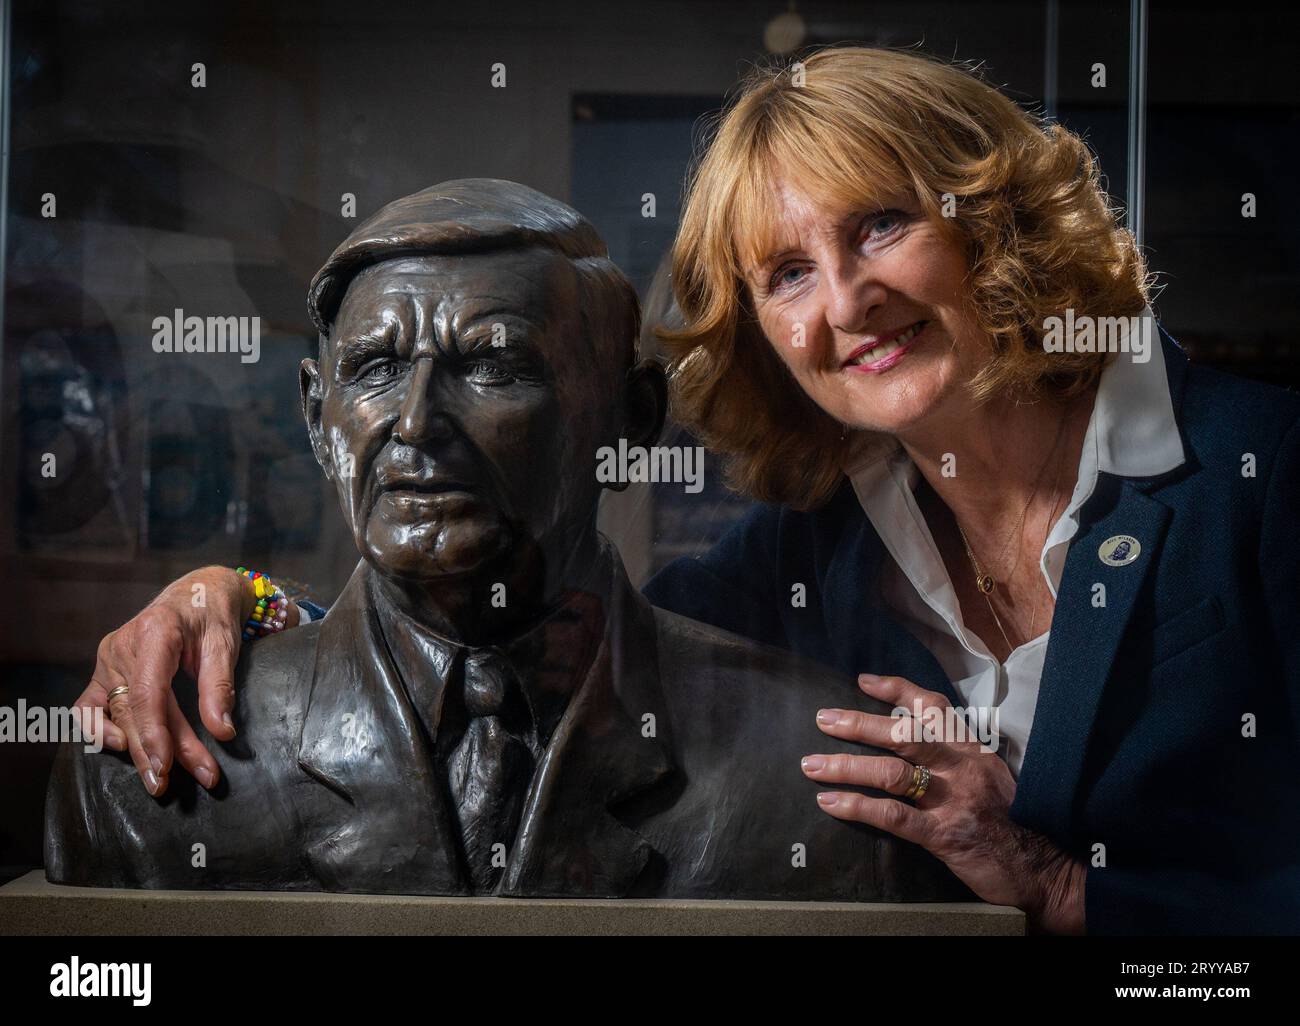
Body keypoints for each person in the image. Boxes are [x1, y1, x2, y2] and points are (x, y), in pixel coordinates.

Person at [74, 48, 1300, 933]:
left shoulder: (1264, 477)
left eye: (879, 226)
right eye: (784, 274)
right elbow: (530, 630)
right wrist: (231, 598)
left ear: (996, 221)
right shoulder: (800, 558)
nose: (842, 302)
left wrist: (1060, 889)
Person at [46, 178, 967, 903]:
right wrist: (234, 596)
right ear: (317, 417)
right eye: (372, 370)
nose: (413, 424)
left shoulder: (827, 783)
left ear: (629, 418)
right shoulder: (144, 774)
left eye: (492, 364)